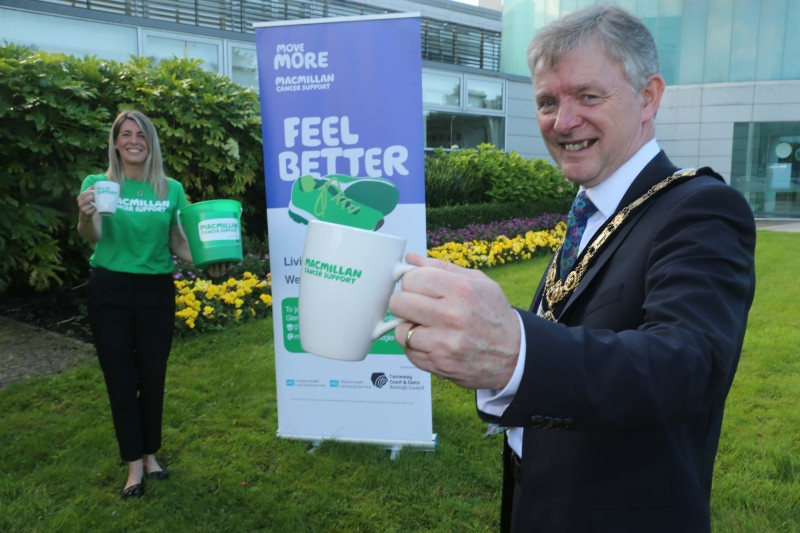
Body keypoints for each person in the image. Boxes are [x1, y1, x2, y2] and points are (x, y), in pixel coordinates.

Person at [388, 5, 756, 532]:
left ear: (648, 96)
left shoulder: (700, 207)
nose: (562, 123)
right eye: (546, 101)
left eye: (588, 96)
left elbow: (687, 366)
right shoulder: (595, 205)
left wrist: (516, 352)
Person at [76, 110, 229, 499]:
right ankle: (132, 465)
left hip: (155, 292)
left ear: (151, 142)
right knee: (121, 379)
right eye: (125, 134)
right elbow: (91, 236)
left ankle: (150, 455)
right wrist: (85, 213)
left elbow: (177, 242)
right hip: (109, 288)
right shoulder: (99, 184)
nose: (133, 141)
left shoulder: (170, 189)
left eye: (140, 135)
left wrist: (210, 261)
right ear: (115, 142)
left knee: (152, 376)